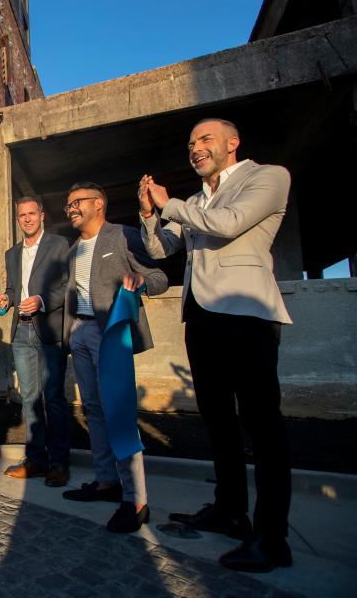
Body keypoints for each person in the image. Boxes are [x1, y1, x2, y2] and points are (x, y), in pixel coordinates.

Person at [139, 118, 294, 572]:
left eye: (205, 139)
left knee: (263, 426)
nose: (195, 147)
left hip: (246, 314)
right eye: (191, 143)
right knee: (219, 422)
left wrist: (172, 204)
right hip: (201, 317)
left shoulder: (267, 177)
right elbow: (162, 250)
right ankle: (230, 510)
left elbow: (229, 224)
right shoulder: (195, 201)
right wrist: (151, 215)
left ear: (233, 142)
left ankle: (272, 537)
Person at [60, 182, 168, 533]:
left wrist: (139, 279)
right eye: (68, 205)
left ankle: (136, 500)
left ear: (99, 204)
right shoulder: (73, 249)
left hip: (112, 334)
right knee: (92, 408)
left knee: (118, 411)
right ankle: (107, 481)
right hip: (82, 333)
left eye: (77, 202)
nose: (71, 208)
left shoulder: (122, 235)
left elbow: (159, 277)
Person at [0, 197, 71, 487]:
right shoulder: (11, 253)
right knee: (28, 399)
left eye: (32, 213)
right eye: (22, 215)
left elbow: (68, 285)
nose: (27, 219)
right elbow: (14, 290)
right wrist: (7, 298)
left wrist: (41, 301)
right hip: (21, 332)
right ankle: (36, 459)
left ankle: (59, 463)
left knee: (53, 397)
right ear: (17, 219)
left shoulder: (59, 245)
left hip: (49, 329)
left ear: (42, 215)